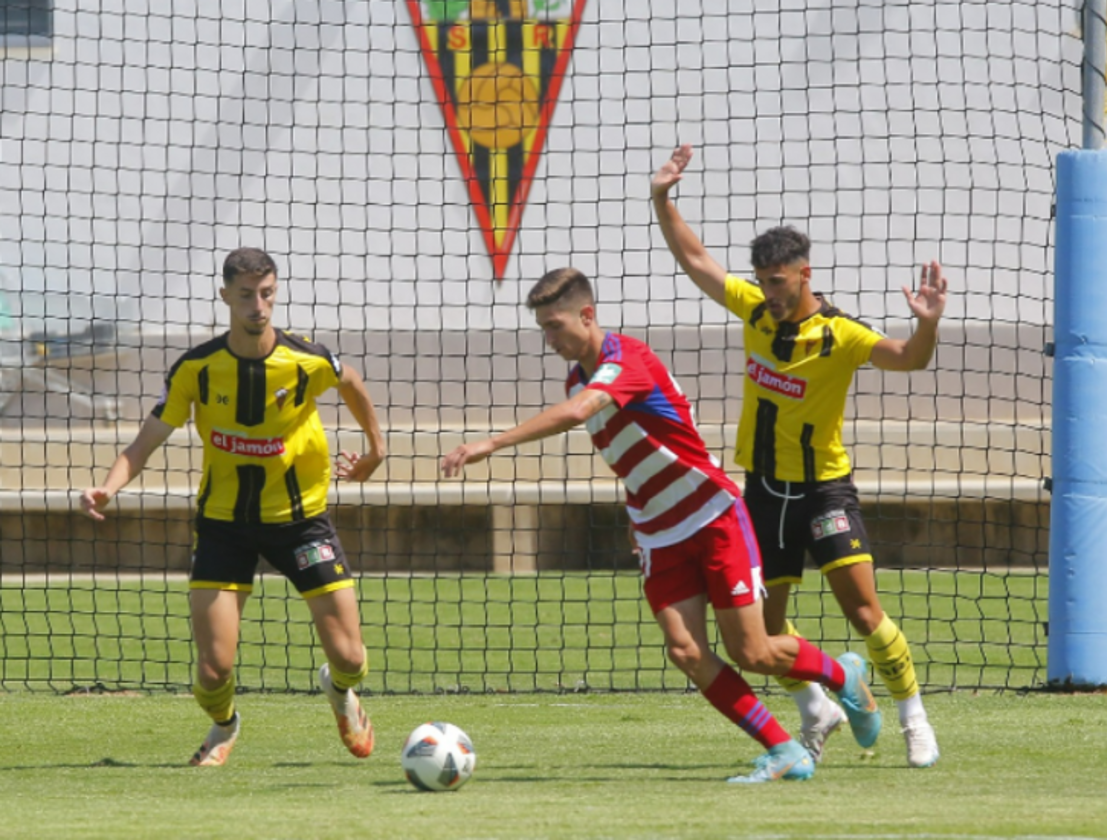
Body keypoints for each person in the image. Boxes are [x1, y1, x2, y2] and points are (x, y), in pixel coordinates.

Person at [441, 267, 881, 783]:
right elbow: (630, 452)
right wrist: (637, 513)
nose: (549, 338)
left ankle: (842, 674)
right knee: (686, 651)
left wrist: (489, 444)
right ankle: (784, 750)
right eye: (543, 328)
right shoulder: (577, 376)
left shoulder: (625, 361)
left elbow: (579, 411)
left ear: (588, 315)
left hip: (712, 515)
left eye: (555, 325)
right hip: (658, 532)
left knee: (753, 651)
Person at [651, 144, 947, 768]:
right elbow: (695, 259)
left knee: (864, 610)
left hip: (824, 491)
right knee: (761, 636)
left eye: (778, 282)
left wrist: (926, 324)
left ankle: (914, 719)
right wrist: (662, 198)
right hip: (761, 494)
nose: (769, 293)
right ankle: (820, 707)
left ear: (805, 274)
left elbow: (910, 358)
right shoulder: (755, 313)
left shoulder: (842, 334)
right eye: (762, 282)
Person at [79, 247, 386, 767]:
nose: (257, 306)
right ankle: (224, 726)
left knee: (352, 660)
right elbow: (143, 443)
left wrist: (376, 451)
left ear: (275, 293)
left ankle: (340, 692)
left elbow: (350, 382)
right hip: (225, 528)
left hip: (301, 524)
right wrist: (109, 487)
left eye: (266, 294)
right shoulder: (196, 369)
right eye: (245, 295)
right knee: (213, 671)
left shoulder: (306, 360)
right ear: (225, 297)